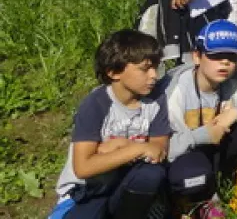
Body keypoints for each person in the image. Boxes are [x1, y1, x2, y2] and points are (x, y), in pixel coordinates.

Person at [162, 21, 237, 218]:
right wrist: (204, 135)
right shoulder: (175, 91)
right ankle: (187, 204)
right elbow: (166, 147)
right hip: (184, 152)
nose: (225, 63)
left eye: (232, 57)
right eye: (216, 56)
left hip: (220, 147)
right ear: (197, 56)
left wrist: (236, 113)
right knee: (190, 175)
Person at [51, 30, 169, 219]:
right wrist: (133, 149)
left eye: (156, 67)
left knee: (151, 175)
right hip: (87, 190)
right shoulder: (96, 104)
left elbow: (158, 151)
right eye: (145, 68)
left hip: (127, 185)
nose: (154, 75)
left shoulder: (155, 102)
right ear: (114, 72)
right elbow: (83, 168)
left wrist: (111, 149)